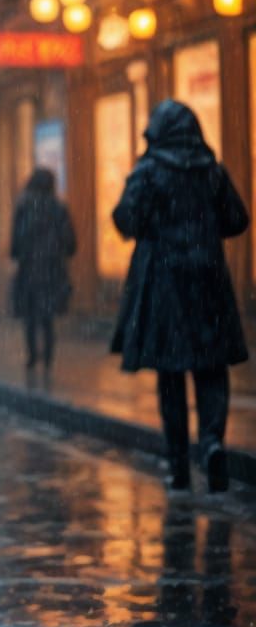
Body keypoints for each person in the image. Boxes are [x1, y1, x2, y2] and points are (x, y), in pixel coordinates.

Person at [110, 101, 249, 493]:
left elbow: (125, 219)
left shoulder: (150, 171)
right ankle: (211, 442)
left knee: (171, 375)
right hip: (208, 283)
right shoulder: (211, 170)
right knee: (210, 368)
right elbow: (237, 219)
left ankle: (178, 466)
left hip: (165, 285)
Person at [9, 168, 76, 370]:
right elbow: (71, 242)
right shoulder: (59, 208)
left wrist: (21, 253)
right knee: (47, 317)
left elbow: (15, 244)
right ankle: (48, 357)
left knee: (30, 317)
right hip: (52, 270)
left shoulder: (24, 207)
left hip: (29, 269)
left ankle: (32, 356)